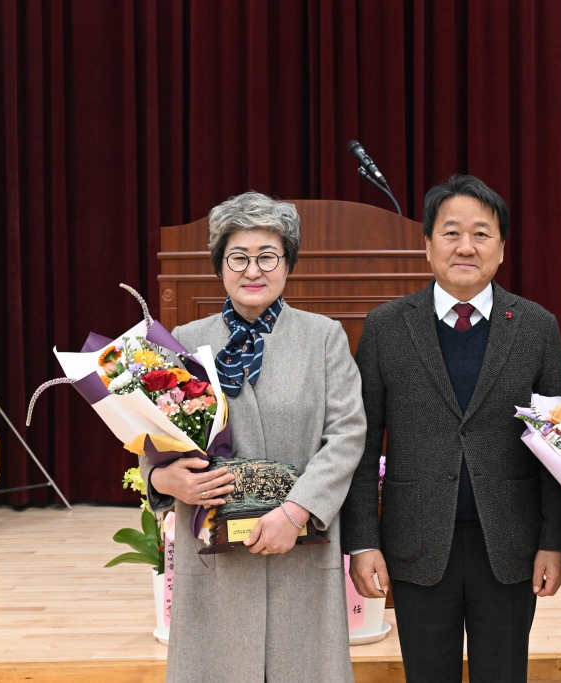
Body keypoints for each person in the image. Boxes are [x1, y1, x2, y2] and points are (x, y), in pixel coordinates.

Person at [341, 175, 561, 683]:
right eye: (451, 233)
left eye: (481, 234)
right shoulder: (385, 327)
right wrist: (362, 542)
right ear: (427, 246)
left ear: (502, 249)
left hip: (510, 547)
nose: (466, 246)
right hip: (415, 543)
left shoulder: (536, 327)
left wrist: (554, 540)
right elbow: (358, 444)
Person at [139, 191, 367, 683]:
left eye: (268, 256)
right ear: (219, 264)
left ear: (288, 264)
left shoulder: (323, 336)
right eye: (238, 257)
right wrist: (164, 478)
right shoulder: (184, 338)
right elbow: (154, 436)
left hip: (300, 545)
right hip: (216, 554)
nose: (253, 270)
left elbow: (348, 435)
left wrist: (296, 509)